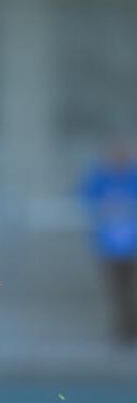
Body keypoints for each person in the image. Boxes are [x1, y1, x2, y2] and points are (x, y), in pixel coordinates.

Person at [81, 140, 137, 347]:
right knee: (118, 290)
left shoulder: (134, 178)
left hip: (133, 247)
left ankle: (131, 329)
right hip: (110, 247)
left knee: (132, 290)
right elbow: (85, 197)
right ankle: (123, 330)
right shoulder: (101, 179)